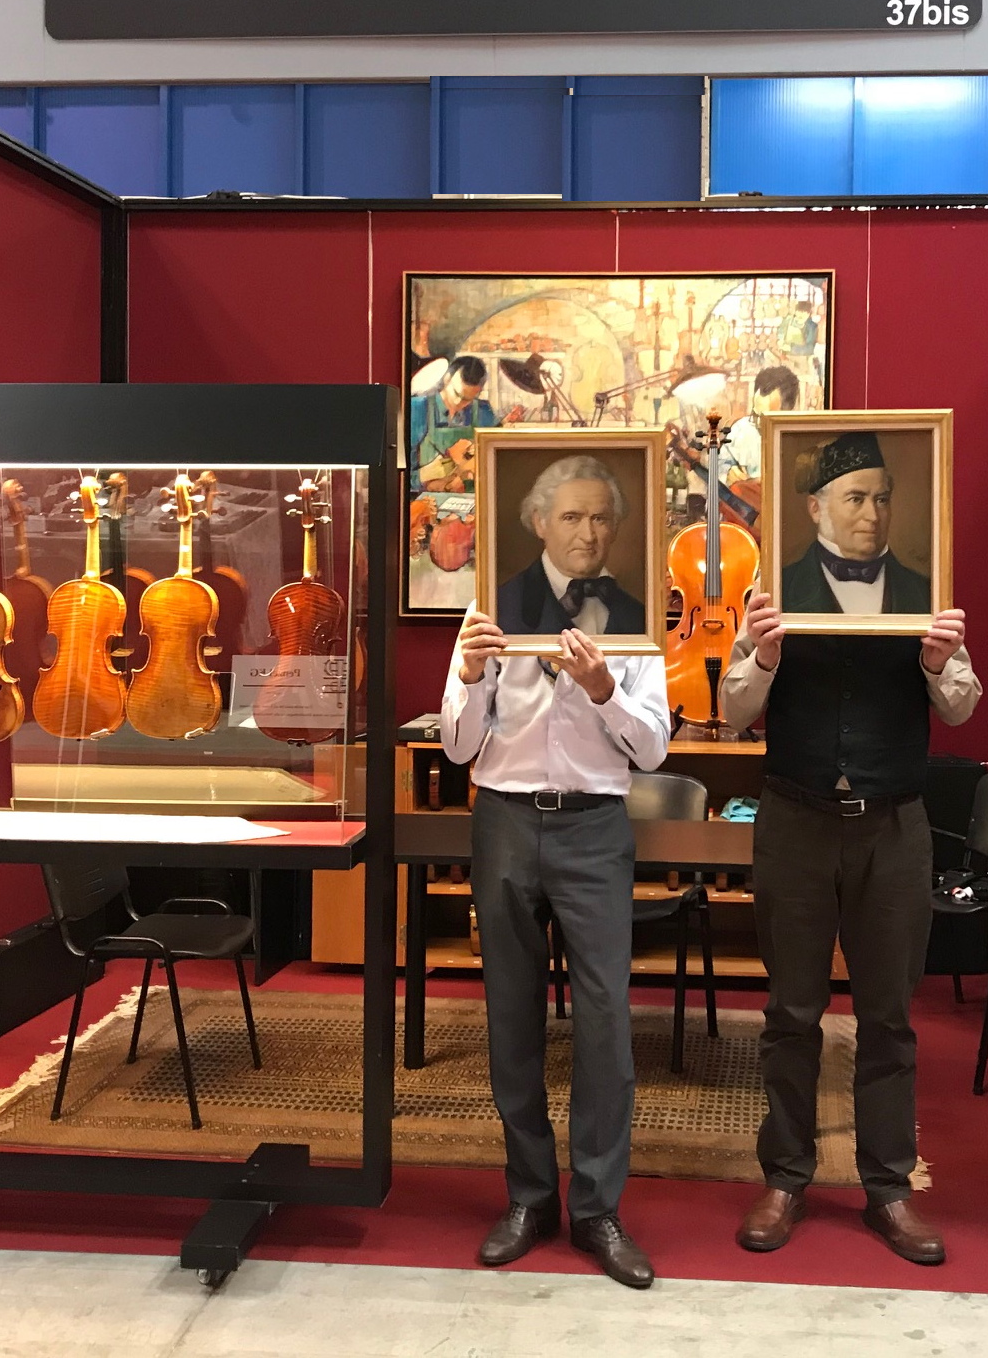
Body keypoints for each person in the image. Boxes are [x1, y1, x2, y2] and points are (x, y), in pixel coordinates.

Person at [717, 561, 979, 1265]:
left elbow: (961, 706)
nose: (865, 514)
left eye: (877, 504)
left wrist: (936, 663)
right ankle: (785, 1179)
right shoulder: (775, 592)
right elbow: (733, 710)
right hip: (793, 820)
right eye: (852, 504)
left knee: (888, 1016)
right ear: (818, 510)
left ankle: (888, 1187)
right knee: (791, 1011)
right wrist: (763, 656)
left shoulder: (921, 592)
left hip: (893, 826)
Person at [441, 542, 672, 1288]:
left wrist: (605, 689)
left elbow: (653, 750)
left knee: (605, 1020)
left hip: (594, 825)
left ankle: (598, 1209)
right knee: (511, 1014)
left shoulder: (633, 617)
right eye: (568, 515)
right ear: (539, 526)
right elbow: (456, 747)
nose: (585, 533)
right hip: (504, 819)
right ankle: (529, 1198)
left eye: (598, 517)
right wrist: (469, 675)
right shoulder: (487, 610)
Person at [780, 431, 929, 616]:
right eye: (856, 499)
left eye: (881, 500)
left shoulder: (924, 592)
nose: (873, 516)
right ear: (816, 509)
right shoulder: (780, 590)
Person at [495, 455, 645, 636]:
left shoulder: (639, 616)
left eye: (599, 519)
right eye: (571, 518)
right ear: (540, 523)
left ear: (615, 527)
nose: (588, 536)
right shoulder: (499, 608)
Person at [410, 355, 498, 491]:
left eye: (467, 399)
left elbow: (495, 467)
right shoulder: (417, 409)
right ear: (447, 379)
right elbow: (400, 476)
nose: (458, 402)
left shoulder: (483, 412)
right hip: (424, 499)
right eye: (456, 394)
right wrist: (424, 474)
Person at [721, 363, 800, 490]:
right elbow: (721, 465)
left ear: (788, 411)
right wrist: (728, 473)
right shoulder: (740, 429)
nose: (758, 423)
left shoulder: (801, 440)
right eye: (755, 415)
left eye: (765, 419)